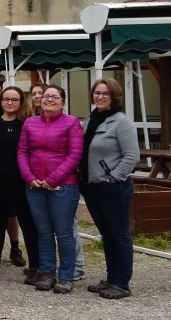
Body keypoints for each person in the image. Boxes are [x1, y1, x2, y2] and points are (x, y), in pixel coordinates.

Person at [18, 85, 83, 294]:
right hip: (35, 186)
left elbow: (74, 154)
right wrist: (29, 177)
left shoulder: (71, 123)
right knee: (43, 232)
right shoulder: (30, 123)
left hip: (63, 186)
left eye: (55, 97)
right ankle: (47, 272)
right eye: (46, 96)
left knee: (63, 233)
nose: (49, 100)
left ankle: (66, 275)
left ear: (63, 101)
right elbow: (22, 152)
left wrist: (53, 179)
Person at [80, 78, 139, 299]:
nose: (100, 97)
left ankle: (121, 283)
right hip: (92, 186)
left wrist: (113, 178)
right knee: (107, 235)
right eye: (97, 93)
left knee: (119, 235)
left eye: (105, 93)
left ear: (114, 96)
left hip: (113, 188)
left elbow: (132, 156)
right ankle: (111, 278)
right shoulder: (90, 119)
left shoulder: (121, 122)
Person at [0, 87, 38, 281]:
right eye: (6, 99)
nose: (10, 103)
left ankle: (35, 266)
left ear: (21, 102)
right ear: (1, 102)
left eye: (14, 100)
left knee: (28, 224)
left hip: (22, 182)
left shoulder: (27, 124)